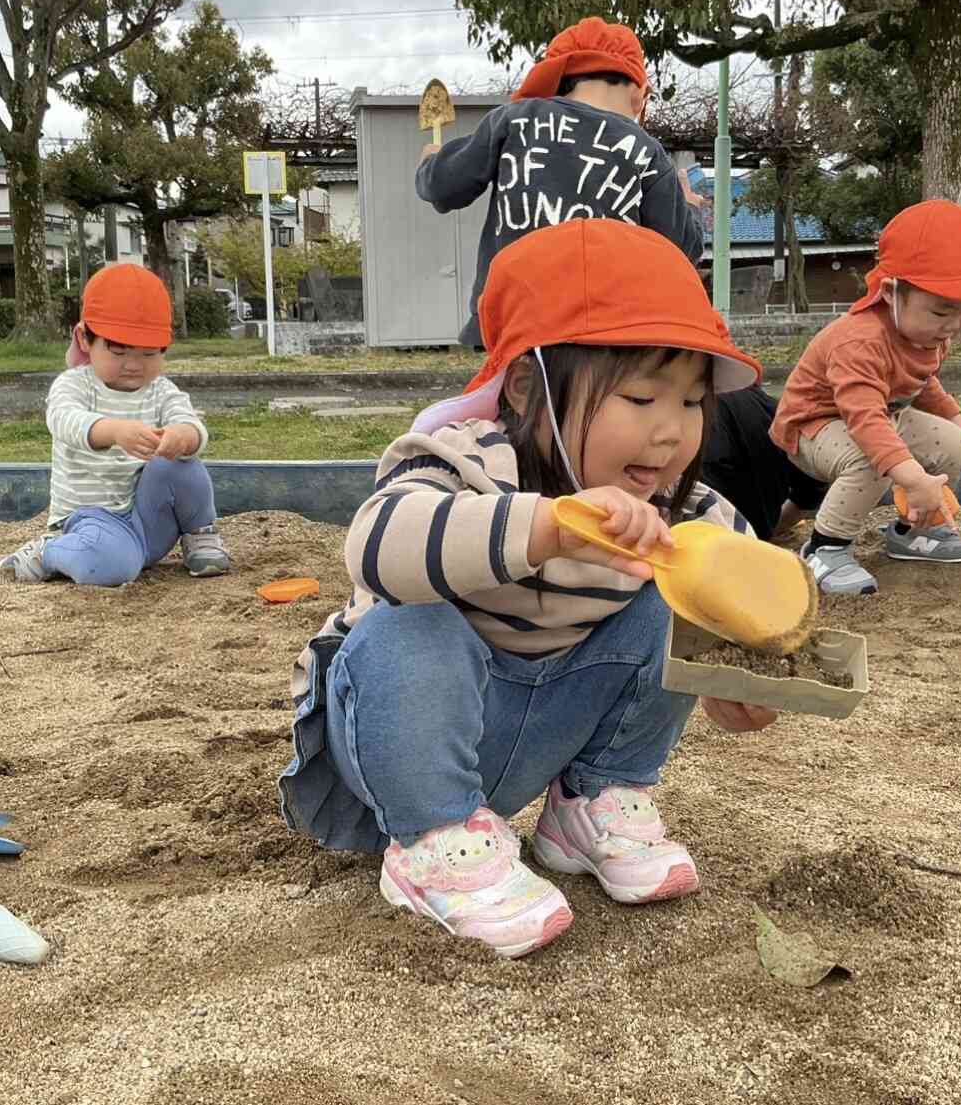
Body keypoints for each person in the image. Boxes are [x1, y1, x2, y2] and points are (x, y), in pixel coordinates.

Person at [278, 219, 780, 958]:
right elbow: (376, 544)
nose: (672, 431)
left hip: (548, 726)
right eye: (642, 397)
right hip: (402, 743)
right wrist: (550, 526)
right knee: (407, 624)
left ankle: (595, 798)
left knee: (676, 590)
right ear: (525, 386)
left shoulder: (684, 512)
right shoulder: (466, 462)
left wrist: (738, 687)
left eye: (692, 402)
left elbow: (748, 609)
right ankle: (435, 842)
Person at [415, 16, 703, 347]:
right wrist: (690, 207)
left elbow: (444, 188)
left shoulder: (516, 119)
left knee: (516, 381)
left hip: (514, 319)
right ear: (640, 93)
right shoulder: (646, 151)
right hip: (606, 331)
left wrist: (431, 162)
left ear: (557, 79)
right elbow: (682, 249)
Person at [769, 200, 961, 595]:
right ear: (892, 293)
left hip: (876, 417)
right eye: (942, 312)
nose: (955, 325)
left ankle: (916, 532)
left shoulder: (928, 333)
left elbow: (921, 378)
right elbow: (865, 421)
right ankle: (825, 547)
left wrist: (953, 416)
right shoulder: (860, 341)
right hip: (813, 426)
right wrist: (912, 477)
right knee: (873, 458)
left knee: (951, 443)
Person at [0, 264, 230, 584]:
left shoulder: (161, 391)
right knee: (111, 564)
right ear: (85, 339)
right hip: (94, 521)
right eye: (118, 350)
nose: (133, 365)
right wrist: (114, 431)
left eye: (149, 353)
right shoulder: (75, 385)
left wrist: (182, 436)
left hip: (150, 519)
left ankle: (200, 535)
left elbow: (190, 423)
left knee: (181, 464)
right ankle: (48, 552)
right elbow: (64, 420)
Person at [701, 386, 827, 541]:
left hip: (715, 542)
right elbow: (814, 486)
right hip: (755, 537)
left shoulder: (693, 416)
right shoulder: (772, 408)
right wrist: (772, 529)